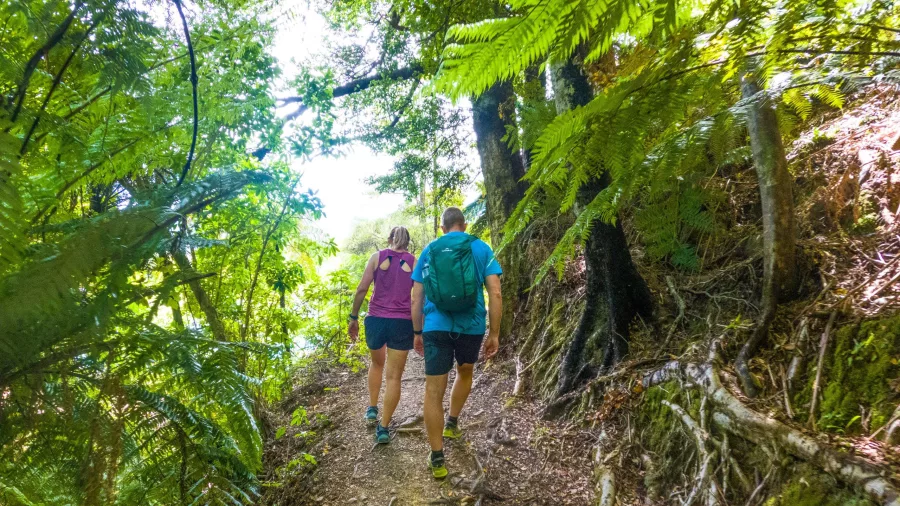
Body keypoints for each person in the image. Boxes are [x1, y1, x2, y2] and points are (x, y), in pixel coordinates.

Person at [411, 207, 502, 479]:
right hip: (471, 326)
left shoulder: (430, 250)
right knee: (465, 372)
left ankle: (437, 458)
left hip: (436, 327)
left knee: (433, 390)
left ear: (442, 228)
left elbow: (416, 297)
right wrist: (494, 333)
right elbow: (495, 292)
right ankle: (452, 422)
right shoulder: (481, 247)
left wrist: (417, 332)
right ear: (464, 224)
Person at [348, 226, 416, 444]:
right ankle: (384, 427)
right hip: (402, 322)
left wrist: (353, 317)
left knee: (377, 364)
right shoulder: (413, 261)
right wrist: (419, 329)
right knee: (394, 377)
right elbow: (418, 297)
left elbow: (362, 289)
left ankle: (372, 407)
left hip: (376, 319)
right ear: (408, 242)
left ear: (389, 239)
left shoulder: (377, 257)